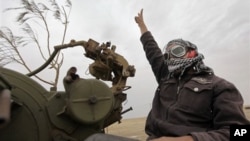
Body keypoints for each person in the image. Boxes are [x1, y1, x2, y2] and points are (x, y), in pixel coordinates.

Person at [134, 9, 250, 141]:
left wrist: (186, 140)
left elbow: (241, 133)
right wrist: (142, 26)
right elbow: (152, 50)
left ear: (192, 52)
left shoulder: (219, 86)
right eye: (167, 56)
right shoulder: (165, 76)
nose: (171, 57)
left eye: (177, 51)